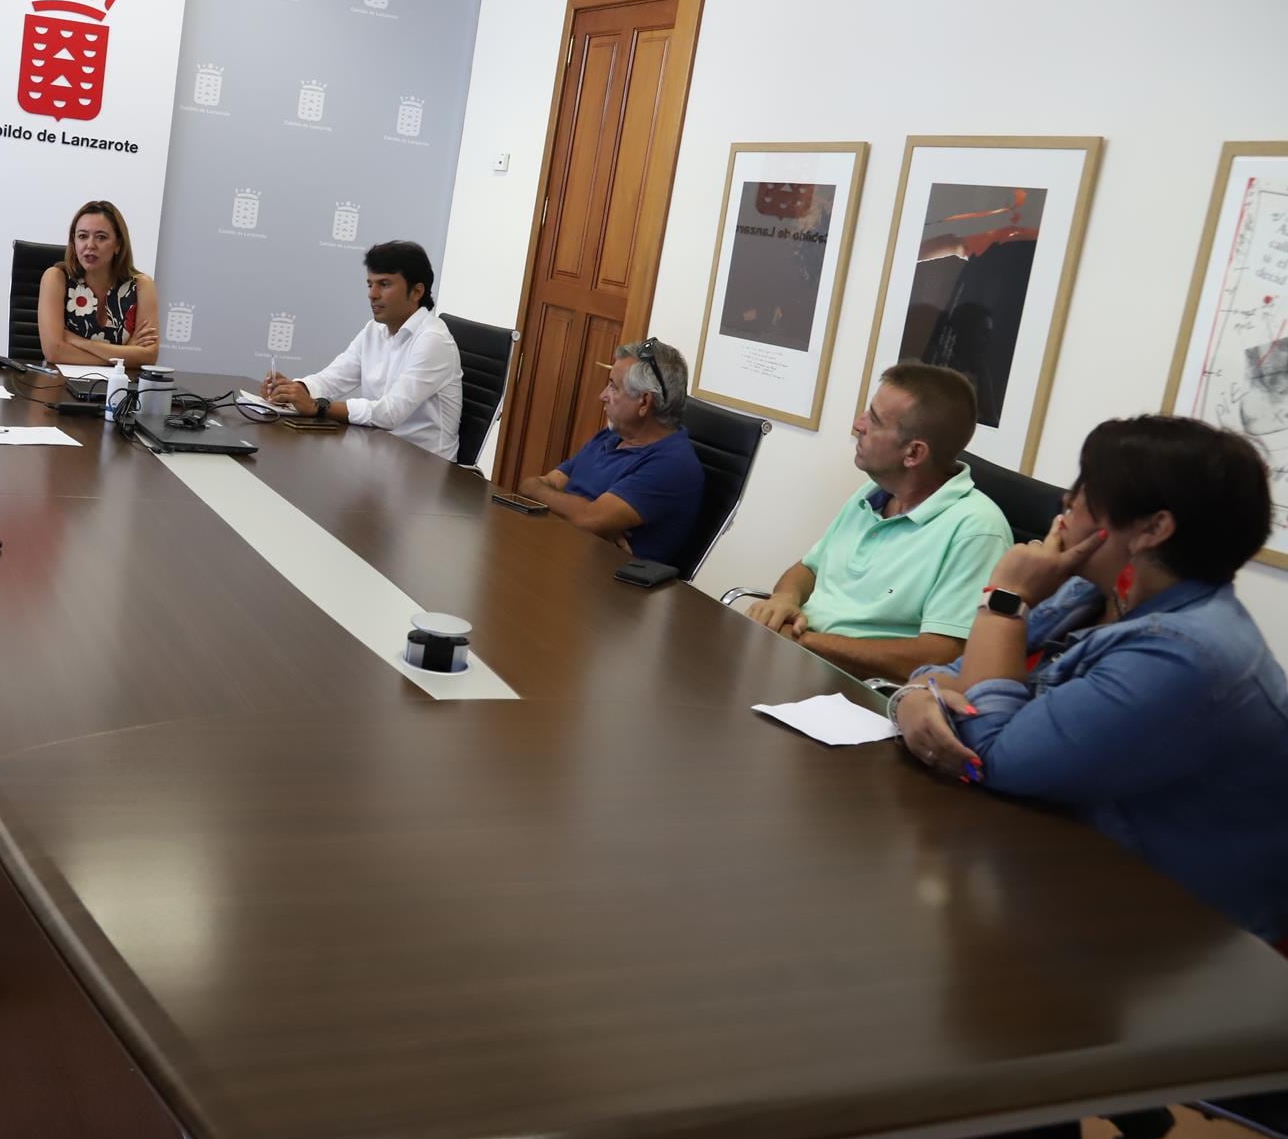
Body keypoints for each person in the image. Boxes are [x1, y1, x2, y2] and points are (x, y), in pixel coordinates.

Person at [892, 415, 1288, 949]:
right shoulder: (1092, 596)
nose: (1067, 500)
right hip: (1057, 870)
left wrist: (1004, 600)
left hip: (1169, 934)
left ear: (1152, 530)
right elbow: (956, 680)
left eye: (1086, 490)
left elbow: (988, 754)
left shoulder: (1183, 655)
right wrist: (913, 698)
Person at [742, 363, 1012, 682]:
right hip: (800, 665)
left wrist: (808, 641)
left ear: (913, 453)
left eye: (874, 419)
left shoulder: (977, 530)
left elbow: (939, 655)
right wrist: (785, 599)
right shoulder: (874, 494)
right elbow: (809, 568)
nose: (858, 425)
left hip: (862, 694)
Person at [262, 240, 465, 460]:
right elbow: (333, 379)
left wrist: (317, 407)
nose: (372, 294)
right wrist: (294, 390)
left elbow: (390, 414)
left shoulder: (433, 340)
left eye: (384, 284)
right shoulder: (373, 330)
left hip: (426, 470)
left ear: (416, 291)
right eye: (370, 284)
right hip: (378, 452)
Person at [517, 338, 704, 561]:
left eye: (613, 386)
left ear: (644, 402)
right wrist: (579, 514)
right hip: (564, 553)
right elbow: (531, 486)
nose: (602, 395)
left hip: (610, 585)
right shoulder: (612, 436)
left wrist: (584, 515)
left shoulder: (673, 465)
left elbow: (588, 519)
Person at [38, 198, 161, 366]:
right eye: (82, 236)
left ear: (118, 244)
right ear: (74, 243)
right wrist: (124, 357)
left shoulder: (141, 286)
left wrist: (82, 343)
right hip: (59, 385)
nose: (90, 245)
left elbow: (148, 356)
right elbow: (54, 352)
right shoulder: (56, 278)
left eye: (101, 237)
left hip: (120, 388)